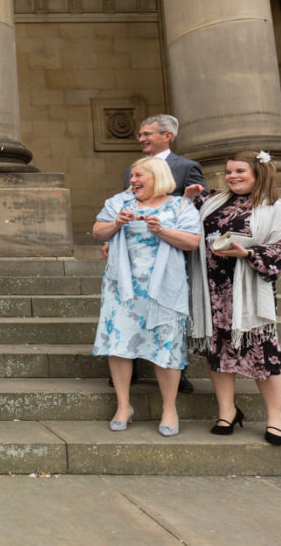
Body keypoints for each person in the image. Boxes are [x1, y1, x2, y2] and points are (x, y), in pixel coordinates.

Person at [185, 151, 281, 445]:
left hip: (248, 292)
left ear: (259, 173)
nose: (232, 176)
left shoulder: (277, 209)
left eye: (239, 171)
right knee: (218, 351)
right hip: (213, 291)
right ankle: (227, 411)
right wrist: (188, 198)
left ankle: (275, 417)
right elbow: (188, 224)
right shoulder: (213, 202)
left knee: (263, 353)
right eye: (228, 172)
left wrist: (247, 253)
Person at [92, 157, 201, 437]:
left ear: (157, 176)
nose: (133, 181)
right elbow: (97, 231)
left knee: (166, 345)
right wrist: (116, 223)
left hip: (165, 288)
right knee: (119, 343)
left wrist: (161, 230)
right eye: (132, 176)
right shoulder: (119, 202)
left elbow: (192, 241)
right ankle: (123, 405)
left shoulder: (180, 205)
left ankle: (169, 408)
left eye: (139, 176)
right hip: (123, 287)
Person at [108, 113, 206, 393]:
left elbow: (201, 206)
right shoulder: (131, 169)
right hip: (132, 252)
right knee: (130, 308)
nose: (141, 139)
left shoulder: (186, 166)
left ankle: (177, 370)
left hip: (170, 249)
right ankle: (130, 367)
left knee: (170, 310)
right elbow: (123, 203)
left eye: (147, 134)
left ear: (167, 135)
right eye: (140, 134)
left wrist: (186, 200)